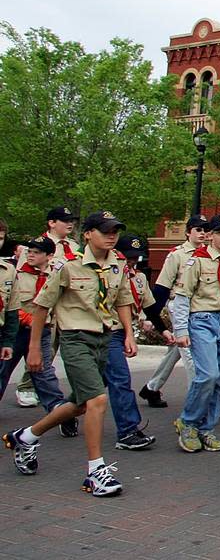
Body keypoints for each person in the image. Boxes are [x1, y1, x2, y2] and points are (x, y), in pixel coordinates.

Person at [2, 210, 137, 497]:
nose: (112, 235)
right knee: (98, 399)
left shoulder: (117, 266)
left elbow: (123, 299)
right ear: (88, 234)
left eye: (115, 230)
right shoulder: (67, 266)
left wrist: (128, 333)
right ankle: (95, 471)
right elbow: (41, 306)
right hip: (76, 338)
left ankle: (26, 436)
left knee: (79, 405)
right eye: (105, 230)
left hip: (104, 337)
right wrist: (35, 348)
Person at [169, 214, 220, 454]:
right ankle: (189, 422)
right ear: (210, 235)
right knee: (207, 374)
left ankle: (207, 429)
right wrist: (181, 329)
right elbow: (183, 297)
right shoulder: (197, 261)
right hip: (202, 319)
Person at [11, 206, 81, 408]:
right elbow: (22, 277)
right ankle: (26, 386)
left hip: (63, 306)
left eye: (71, 221)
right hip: (37, 308)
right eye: (64, 220)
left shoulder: (74, 246)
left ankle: (53, 400)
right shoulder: (36, 246)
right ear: (51, 223)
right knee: (40, 350)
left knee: (54, 351)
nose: (70, 224)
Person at [139, 214, 209, 409]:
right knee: (190, 354)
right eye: (198, 230)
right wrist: (150, 316)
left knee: (177, 350)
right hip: (178, 305)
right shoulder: (177, 255)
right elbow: (161, 287)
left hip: (200, 308)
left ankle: (152, 387)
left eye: (205, 230)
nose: (202, 233)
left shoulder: (210, 254)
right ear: (188, 233)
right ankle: (199, 402)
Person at [0, 236, 69, 431]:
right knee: (3, 370)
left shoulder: (57, 275)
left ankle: (60, 413)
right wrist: (28, 319)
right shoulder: (16, 274)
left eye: (36, 252)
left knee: (43, 374)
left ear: (49, 256)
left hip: (43, 333)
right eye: (29, 251)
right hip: (16, 332)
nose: (30, 255)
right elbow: (11, 307)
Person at [100, 234, 158, 451]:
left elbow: (151, 307)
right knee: (120, 379)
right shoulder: (106, 274)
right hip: (105, 333)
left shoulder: (139, 278)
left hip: (120, 333)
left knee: (95, 385)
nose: (133, 261)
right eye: (129, 257)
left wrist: (164, 330)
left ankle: (65, 410)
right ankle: (127, 431)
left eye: (137, 257)